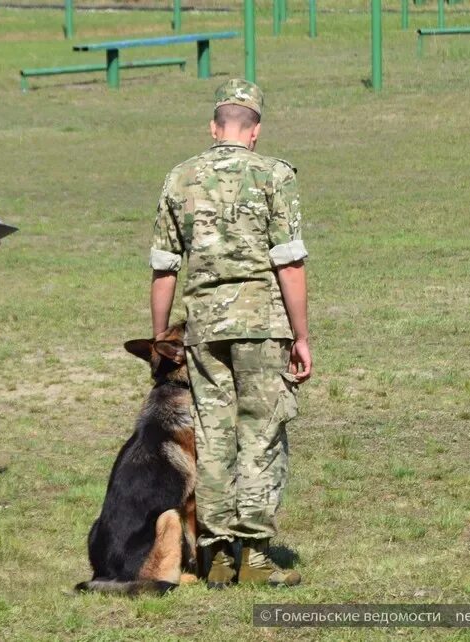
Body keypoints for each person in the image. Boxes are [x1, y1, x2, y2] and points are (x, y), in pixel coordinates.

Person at [149, 79, 312, 587]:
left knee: (214, 435)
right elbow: (288, 263)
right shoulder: (274, 177)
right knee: (261, 434)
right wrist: (302, 336)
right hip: (262, 326)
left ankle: (217, 555)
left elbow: (163, 267)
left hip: (203, 328)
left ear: (214, 128)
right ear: (255, 131)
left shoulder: (179, 179)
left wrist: (160, 338)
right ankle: (256, 557)